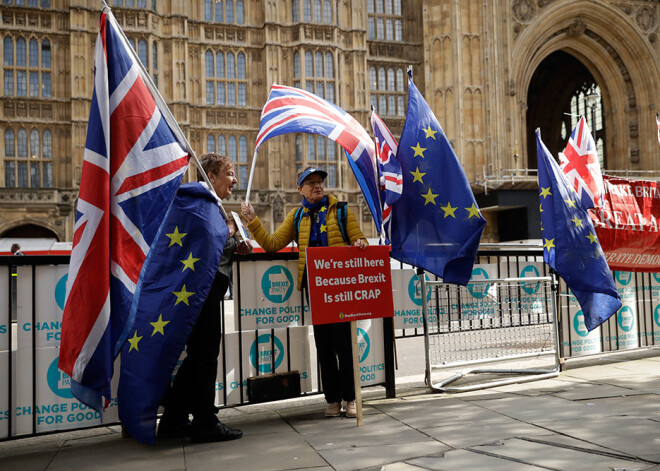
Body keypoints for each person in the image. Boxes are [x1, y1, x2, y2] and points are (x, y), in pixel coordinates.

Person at [241, 166, 368, 418]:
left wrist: (359, 243)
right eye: (310, 182)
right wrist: (253, 221)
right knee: (324, 346)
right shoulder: (296, 216)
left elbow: (358, 238)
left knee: (345, 345)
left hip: (341, 287)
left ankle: (351, 398)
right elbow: (272, 243)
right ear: (300, 189)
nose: (317, 185)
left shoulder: (342, 211)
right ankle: (333, 400)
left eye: (320, 181)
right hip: (316, 288)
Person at [158, 153, 252, 442]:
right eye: (230, 173)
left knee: (201, 357)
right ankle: (203, 421)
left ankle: (174, 421)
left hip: (204, 289)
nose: (235, 180)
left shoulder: (205, 203)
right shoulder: (202, 203)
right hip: (202, 289)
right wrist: (235, 237)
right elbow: (209, 243)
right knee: (204, 357)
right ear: (211, 176)